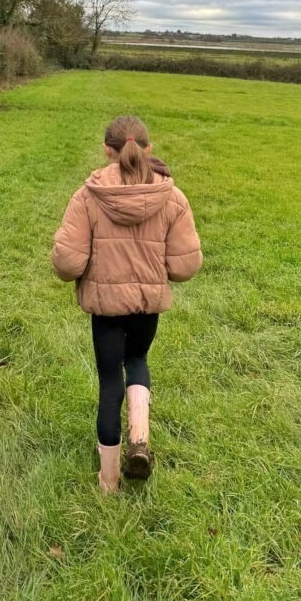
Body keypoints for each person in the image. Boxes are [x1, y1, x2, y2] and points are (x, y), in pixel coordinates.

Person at [51, 116, 202, 493]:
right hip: (146, 307)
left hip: (105, 308)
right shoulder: (173, 197)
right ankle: (139, 435)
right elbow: (185, 266)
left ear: (107, 150)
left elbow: (67, 265)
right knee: (137, 361)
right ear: (148, 148)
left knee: (108, 382)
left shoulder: (88, 197)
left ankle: (108, 481)